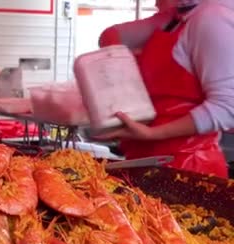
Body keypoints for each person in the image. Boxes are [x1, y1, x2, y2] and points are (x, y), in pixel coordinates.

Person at [95, 0, 234, 178]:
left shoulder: (212, 19)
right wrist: (120, 75)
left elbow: (227, 108)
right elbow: (111, 34)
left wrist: (152, 133)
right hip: (147, 160)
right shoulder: (177, 18)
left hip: (189, 168)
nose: (155, 2)